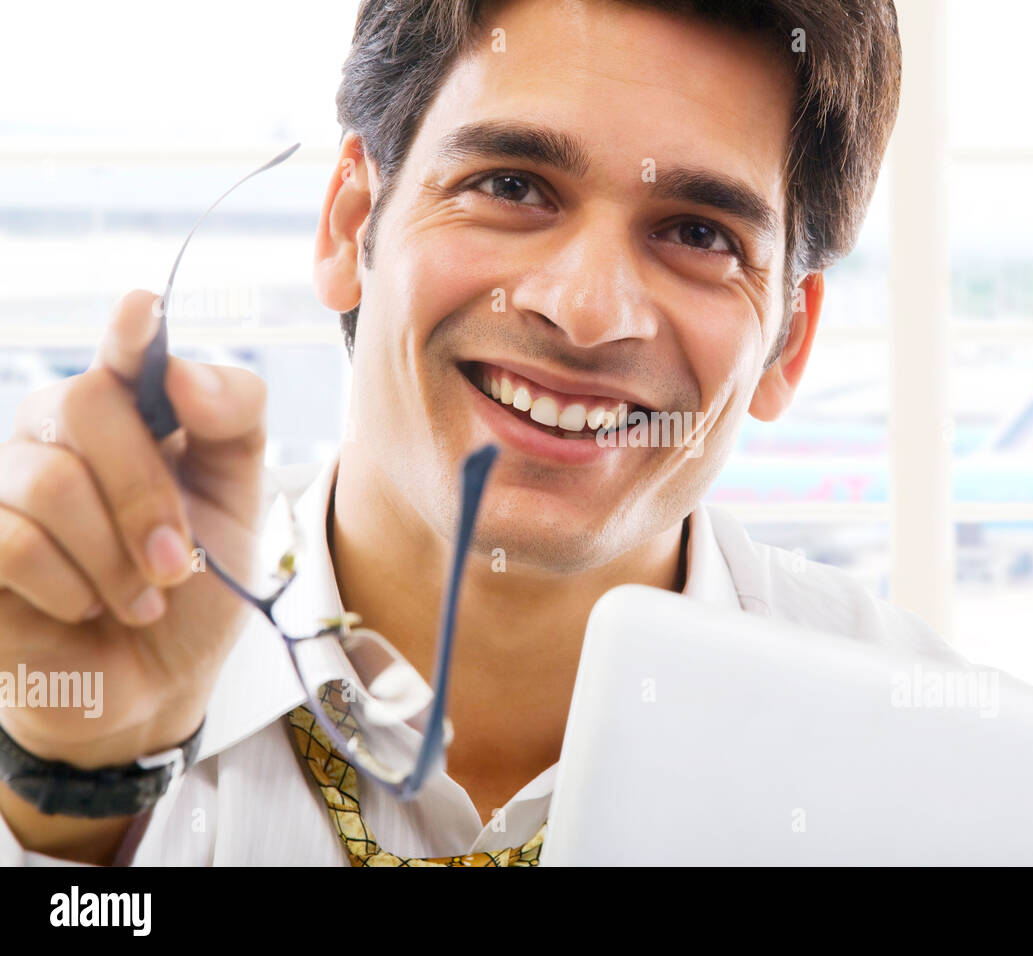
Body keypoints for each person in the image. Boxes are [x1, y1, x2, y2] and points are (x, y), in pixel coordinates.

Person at [0, 0, 959, 866]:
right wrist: (72, 796)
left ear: (789, 342)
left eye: (700, 235)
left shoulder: (936, 762)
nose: (586, 313)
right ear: (349, 226)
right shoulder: (46, 665)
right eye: (512, 184)